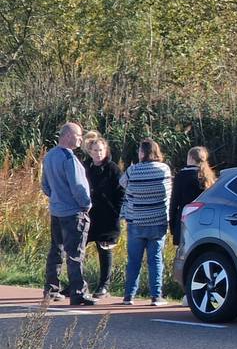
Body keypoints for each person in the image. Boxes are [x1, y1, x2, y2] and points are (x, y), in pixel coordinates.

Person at [40, 122, 96, 305]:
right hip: (73, 212)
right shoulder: (68, 159)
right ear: (67, 136)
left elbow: (45, 186)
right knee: (75, 253)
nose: (81, 138)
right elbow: (78, 186)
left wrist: (56, 197)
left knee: (56, 250)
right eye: (78, 135)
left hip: (56, 210)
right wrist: (86, 204)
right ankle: (78, 291)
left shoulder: (49, 156)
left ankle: (51, 288)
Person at [121, 138, 173, 307]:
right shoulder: (164, 169)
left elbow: (122, 184)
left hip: (136, 220)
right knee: (156, 260)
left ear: (142, 153)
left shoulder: (133, 170)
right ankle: (156, 296)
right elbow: (169, 192)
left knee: (134, 260)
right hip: (158, 221)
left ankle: (129, 295)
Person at [84, 135, 124, 298]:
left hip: (108, 216)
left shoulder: (113, 169)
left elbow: (121, 192)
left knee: (105, 250)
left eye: (101, 150)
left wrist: (117, 211)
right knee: (78, 249)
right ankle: (78, 282)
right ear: (90, 151)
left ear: (105, 150)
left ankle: (104, 285)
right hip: (89, 214)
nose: (98, 153)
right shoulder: (85, 167)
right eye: (95, 150)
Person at [170, 146, 215, 248]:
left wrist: (172, 226)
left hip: (185, 220)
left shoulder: (181, 176)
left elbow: (174, 202)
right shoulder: (208, 177)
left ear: (190, 158)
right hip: (205, 220)